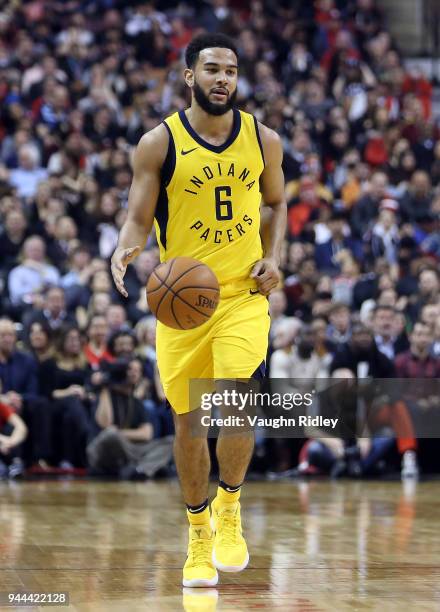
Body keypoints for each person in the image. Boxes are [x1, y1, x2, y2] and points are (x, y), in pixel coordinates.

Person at [111, 33, 286, 587]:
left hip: (240, 294)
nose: (222, 79)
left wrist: (275, 256)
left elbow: (278, 204)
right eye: (211, 69)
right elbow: (139, 216)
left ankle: (230, 507)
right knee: (188, 425)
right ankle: (198, 531)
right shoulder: (157, 143)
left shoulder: (263, 138)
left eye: (231, 70)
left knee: (235, 399)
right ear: (189, 76)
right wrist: (125, 245)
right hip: (181, 305)